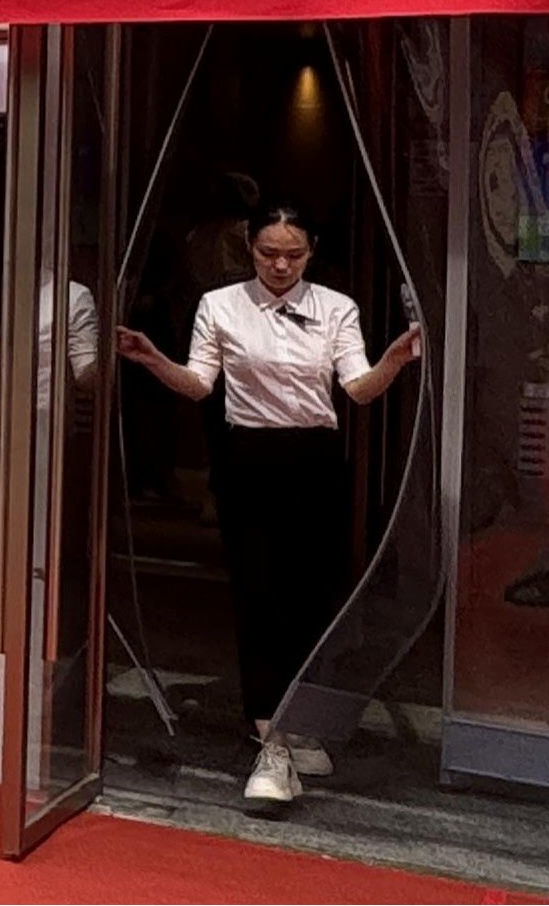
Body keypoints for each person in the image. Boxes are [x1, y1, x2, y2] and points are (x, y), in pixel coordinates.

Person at [115, 203, 417, 803]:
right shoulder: (220, 305)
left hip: (316, 462)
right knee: (258, 598)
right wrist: (153, 360)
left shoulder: (336, 307)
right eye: (268, 253)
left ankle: (298, 723)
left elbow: (358, 389)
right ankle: (270, 742)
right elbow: (200, 383)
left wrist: (395, 359)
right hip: (248, 460)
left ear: (311, 252)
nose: (280, 265)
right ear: (249, 248)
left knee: (311, 599)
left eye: (293, 255)